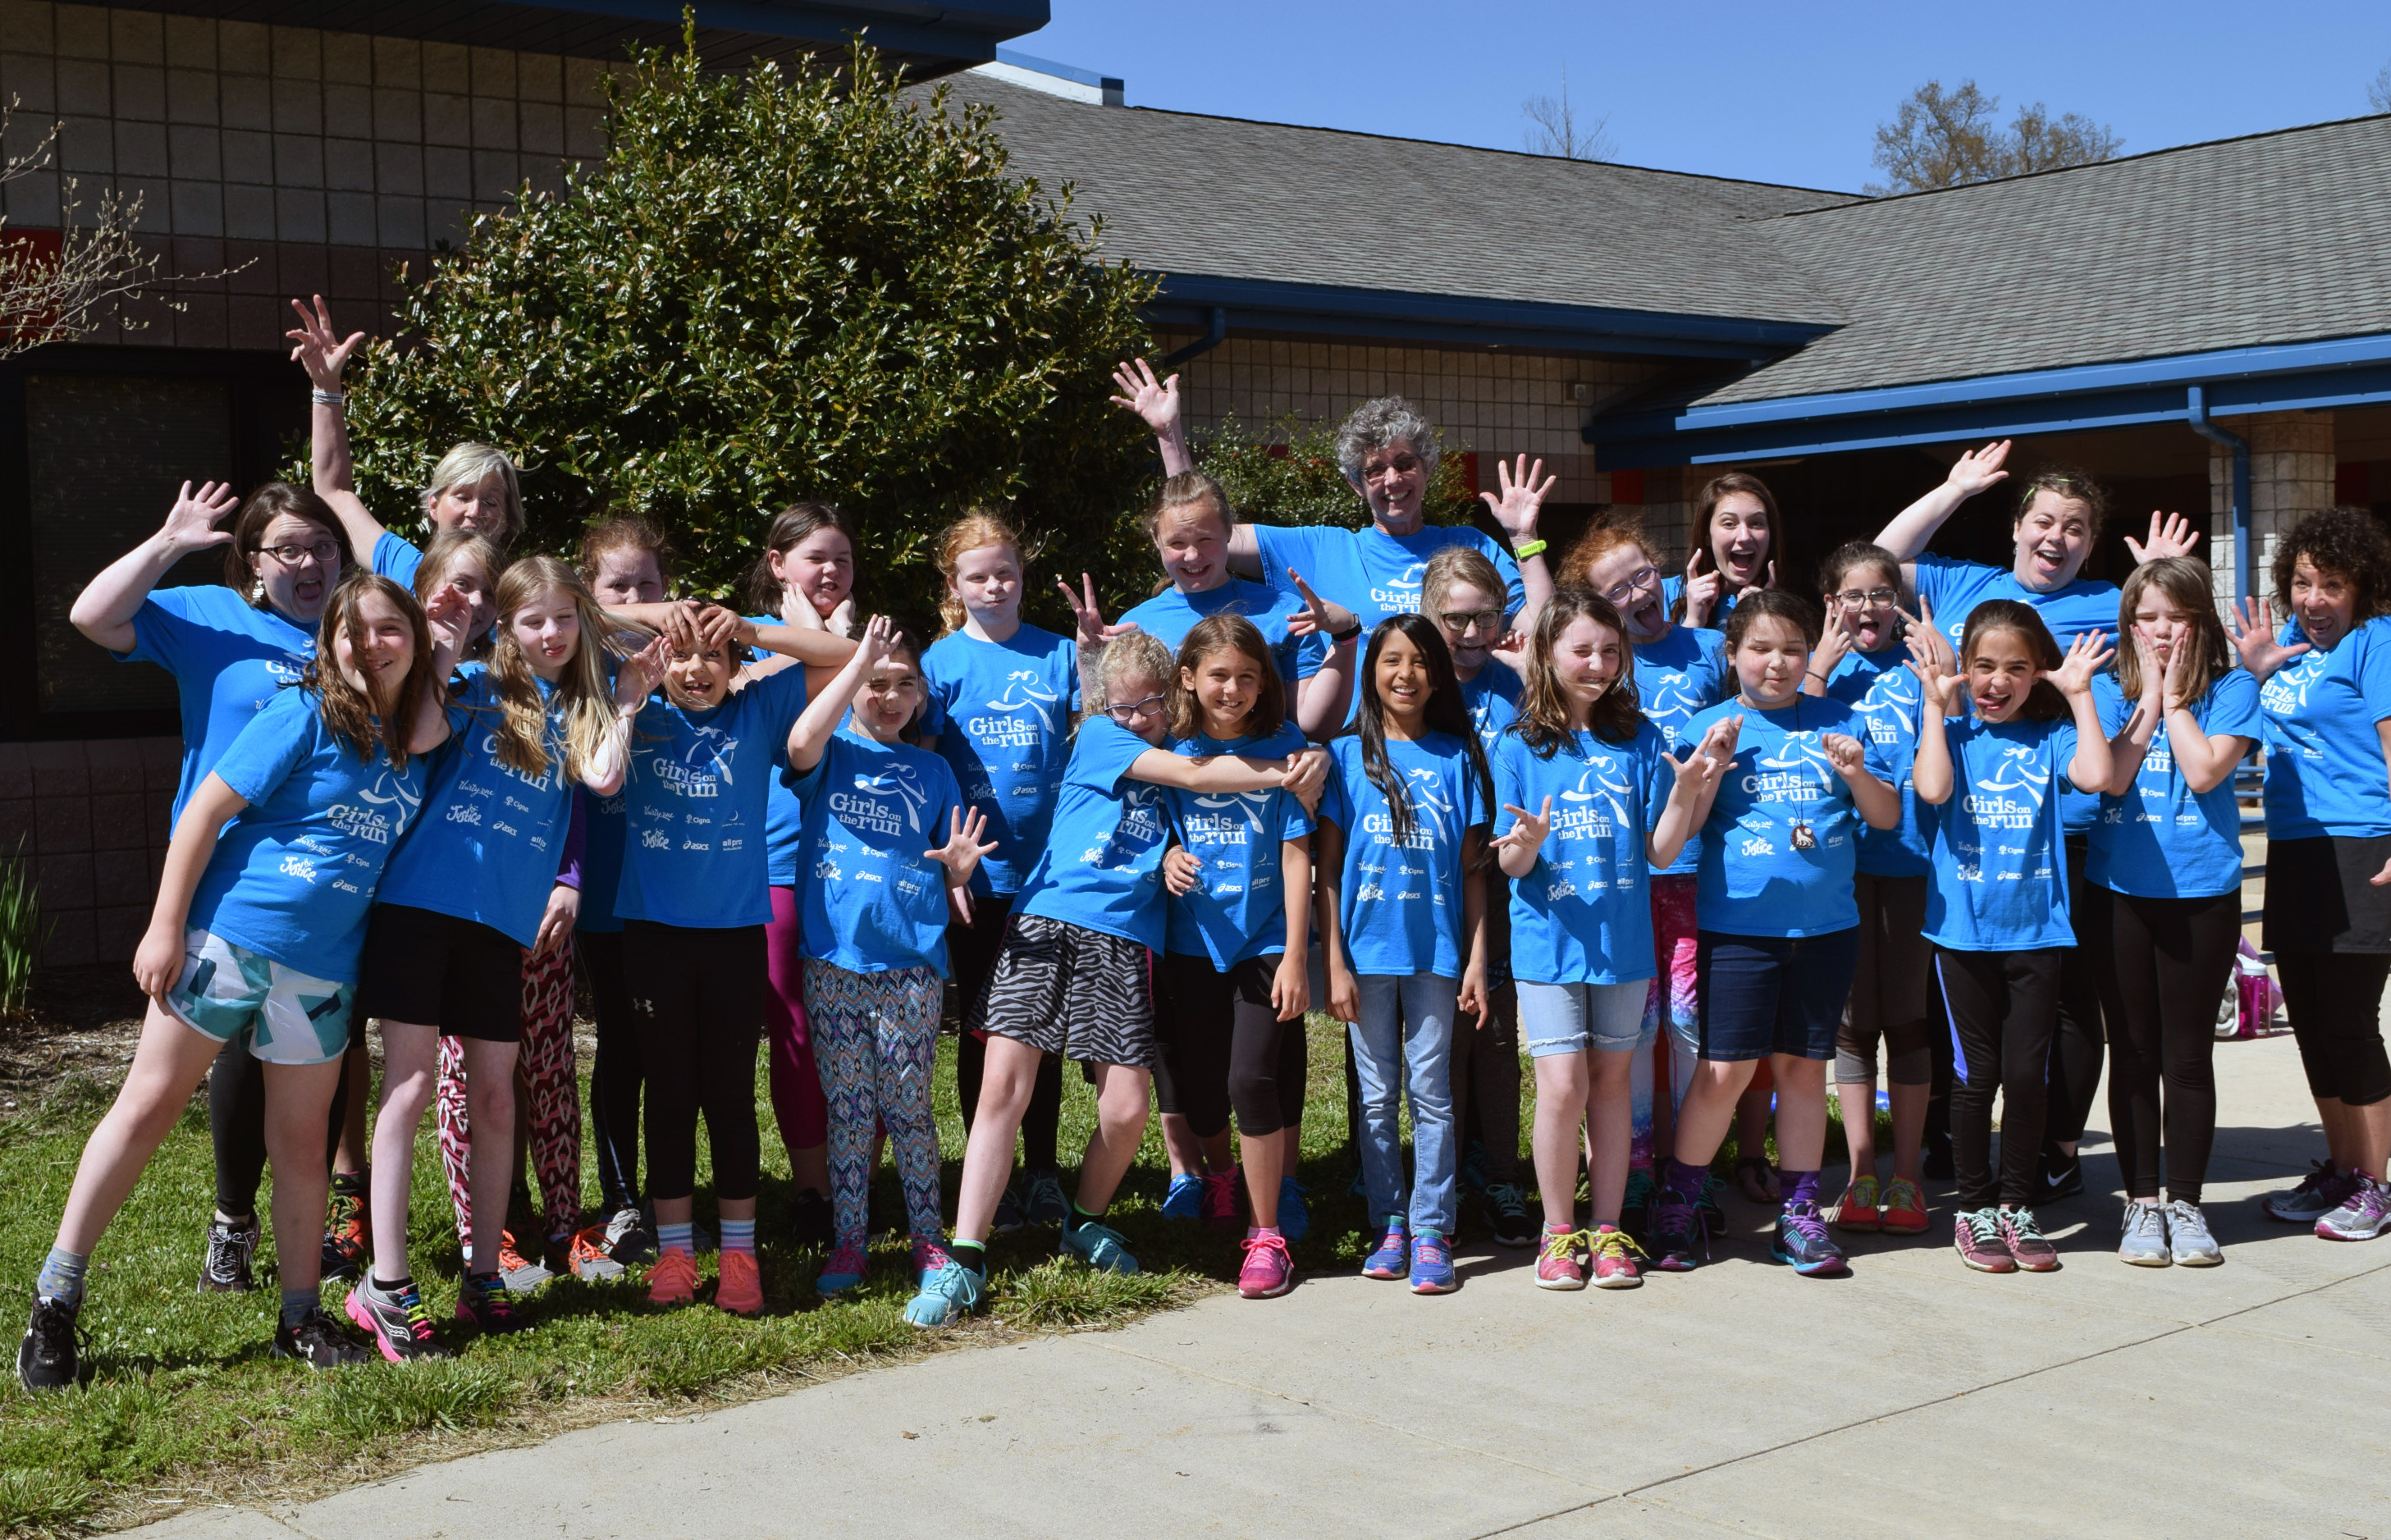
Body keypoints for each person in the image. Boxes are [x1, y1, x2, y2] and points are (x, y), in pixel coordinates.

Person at [20, 573, 462, 1391]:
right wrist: (164, 926)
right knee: (148, 1108)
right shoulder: (303, 711)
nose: (371, 644)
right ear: (328, 641)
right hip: (229, 940)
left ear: (415, 638)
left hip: (322, 972)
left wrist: (438, 651)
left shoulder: (414, 739)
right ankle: (56, 1298)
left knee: (300, 1143)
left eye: (390, 628)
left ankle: (300, 1317)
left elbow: (434, 703)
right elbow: (203, 814)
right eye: (353, 630)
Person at [908, 629, 1327, 1327]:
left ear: (1172, 699)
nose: (1134, 719)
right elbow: (1199, 779)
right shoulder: (1106, 737)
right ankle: (967, 1254)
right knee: (1004, 1086)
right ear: (1103, 704)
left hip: (1128, 941)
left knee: (1128, 1108)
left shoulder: (1180, 753)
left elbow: (1193, 812)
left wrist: (1170, 858)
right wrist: (1291, 768)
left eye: (1148, 706)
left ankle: (1084, 1220)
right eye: (1121, 705)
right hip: (1051, 920)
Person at [345, 560, 654, 1359]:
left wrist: (626, 696)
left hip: (501, 926)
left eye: (564, 618)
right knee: (410, 1087)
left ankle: (483, 1275)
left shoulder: (582, 706)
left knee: (494, 1097)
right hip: (418, 908)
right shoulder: (475, 683)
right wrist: (445, 641)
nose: (550, 633)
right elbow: (416, 735)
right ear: (508, 628)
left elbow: (603, 775)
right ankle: (386, 1283)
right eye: (532, 620)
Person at [1875, 444, 2200, 1198]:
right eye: (2045, 520)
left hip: (2081, 833)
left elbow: (2176, 626)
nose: (2057, 536)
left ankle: (2056, 1146)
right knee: (1965, 1007)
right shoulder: (1965, 583)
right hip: (1973, 839)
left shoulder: (2110, 599)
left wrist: (2157, 577)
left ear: (2091, 541)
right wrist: (1955, 490)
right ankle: (1957, 1143)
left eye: (2076, 526)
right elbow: (1883, 559)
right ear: (2017, 527)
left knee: (2073, 1006)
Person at [68, 478, 353, 1294]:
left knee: (320, 1062)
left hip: (330, 898)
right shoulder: (212, 617)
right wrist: (168, 543)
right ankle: (232, 1224)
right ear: (253, 561)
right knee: (228, 1054)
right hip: (222, 888)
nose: (309, 563)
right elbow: (92, 617)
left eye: (323, 547)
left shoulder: (357, 638)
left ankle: (316, 1232)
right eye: (288, 549)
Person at [1651, 592, 1902, 1278]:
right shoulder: (1709, 726)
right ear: (1732, 654)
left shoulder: (1842, 719)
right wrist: (1702, 775)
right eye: (1760, 648)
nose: (1778, 662)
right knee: (1725, 1071)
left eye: (1793, 648)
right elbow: (1678, 835)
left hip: (1827, 928)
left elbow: (1885, 816)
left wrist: (1856, 772)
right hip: (1738, 928)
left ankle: (1799, 1214)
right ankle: (1679, 1200)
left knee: (1802, 1069)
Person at [615, 602, 856, 1314]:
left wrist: (748, 631)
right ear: (660, 661)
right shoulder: (638, 706)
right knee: (668, 1093)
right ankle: (675, 1254)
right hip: (652, 934)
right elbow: (580, 612)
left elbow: (845, 654)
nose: (696, 669)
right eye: (681, 654)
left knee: (727, 1094)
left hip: (735, 935)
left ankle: (740, 1255)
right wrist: (660, 616)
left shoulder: (758, 710)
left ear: (734, 666)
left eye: (712, 655)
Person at [1490, 589, 1718, 1291]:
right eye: (1582, 650)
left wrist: (1687, 791)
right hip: (1549, 947)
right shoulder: (1517, 744)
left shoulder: (1640, 738)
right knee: (1564, 1086)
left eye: (1610, 652)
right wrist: (1528, 841)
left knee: (1613, 1085)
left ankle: (1609, 1226)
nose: (1597, 664)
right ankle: (1558, 1232)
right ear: (1546, 653)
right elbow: (1509, 863)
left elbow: (1660, 849)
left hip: (1624, 947)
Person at [789, 619, 991, 1301]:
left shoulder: (934, 771)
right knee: (849, 1109)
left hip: (911, 964)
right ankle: (850, 1238)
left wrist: (959, 869)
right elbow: (800, 742)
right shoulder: (832, 752)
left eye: (905, 684)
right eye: (876, 683)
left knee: (908, 1105)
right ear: (853, 687)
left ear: (922, 695)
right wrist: (855, 665)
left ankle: (927, 1237)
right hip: (834, 959)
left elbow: (951, 863)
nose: (890, 696)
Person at [1911, 601, 2114, 1273]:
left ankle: (2016, 1206)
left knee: (2028, 1076)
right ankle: (1972, 1210)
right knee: (1978, 1075)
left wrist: (2079, 694)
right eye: (1984, 665)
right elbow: (1932, 789)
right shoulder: (1953, 734)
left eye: (2017, 668)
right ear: (1964, 669)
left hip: (2037, 932)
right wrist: (1935, 706)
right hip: (1963, 935)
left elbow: (2096, 775)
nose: (1997, 681)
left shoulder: (2050, 736)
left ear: (2038, 674)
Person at [1111, 363, 1551, 642]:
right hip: (1352, 745)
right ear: (1356, 484)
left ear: (1427, 469)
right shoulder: (1321, 549)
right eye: (1374, 470)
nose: (1392, 479)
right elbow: (1204, 532)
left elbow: (1544, 629)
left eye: (1404, 464)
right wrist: (1169, 435)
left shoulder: (1471, 547)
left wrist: (1523, 537)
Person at [1314, 615, 1493, 1294]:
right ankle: (1389, 1221)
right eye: (1391, 659)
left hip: (1438, 954)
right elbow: (1328, 871)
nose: (1405, 673)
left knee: (1432, 1093)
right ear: (1372, 671)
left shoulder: (1457, 756)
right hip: (1364, 955)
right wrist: (1333, 961)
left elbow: (1474, 872)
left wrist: (1477, 960)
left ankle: (1432, 1229)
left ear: (1438, 676)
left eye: (1420, 661)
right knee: (1377, 1096)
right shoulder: (1344, 756)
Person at [1566, 518, 1734, 1235]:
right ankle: (1630, 1170)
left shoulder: (1712, 649)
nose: (1639, 592)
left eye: (1643, 574)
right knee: (1631, 1033)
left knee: (1690, 1025)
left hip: (1695, 875)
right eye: (1618, 588)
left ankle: (1691, 1174)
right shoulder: (1602, 668)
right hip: (1627, 883)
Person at [920, 514, 1086, 1236]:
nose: (994, 585)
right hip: (976, 880)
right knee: (983, 1027)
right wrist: (947, 865)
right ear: (954, 584)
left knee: (1041, 1025)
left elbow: (1094, 745)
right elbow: (925, 769)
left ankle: (1043, 1171)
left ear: (1022, 576)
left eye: (1005, 572)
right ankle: (992, 1175)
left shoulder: (1060, 654)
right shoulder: (940, 663)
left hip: (1049, 875)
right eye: (978, 575)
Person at [2090, 557, 2256, 1266]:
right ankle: (2141, 1201)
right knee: (2131, 1052)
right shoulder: (2108, 689)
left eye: (2177, 616)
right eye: (2148, 617)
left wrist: (2177, 699)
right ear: (2129, 624)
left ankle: (2186, 1203)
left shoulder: (2234, 688)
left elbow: (2205, 769)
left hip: (2202, 893)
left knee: (2187, 1054)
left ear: (2201, 622)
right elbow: (2113, 776)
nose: (2162, 630)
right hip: (2119, 894)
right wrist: (2149, 698)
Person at [2234, 509, 2391, 1241]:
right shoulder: (2290, 658)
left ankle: (2376, 1183)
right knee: (2313, 1027)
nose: (2314, 599)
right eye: (2302, 583)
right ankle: (2341, 1168)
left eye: (2332, 584)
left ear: (2361, 588)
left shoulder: (2375, 642)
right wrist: (2259, 671)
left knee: (2350, 1024)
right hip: (2297, 851)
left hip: (2362, 846)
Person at [1154, 615, 1319, 1298]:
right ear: (1189, 677)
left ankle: (1266, 1232)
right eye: (1219, 674)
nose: (1233, 688)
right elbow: (1151, 826)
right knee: (1200, 1083)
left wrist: (1297, 954)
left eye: (1247, 676)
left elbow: (1297, 852)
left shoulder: (1286, 748)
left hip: (1267, 941)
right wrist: (1166, 855)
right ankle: (1222, 1175)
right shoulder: (1169, 749)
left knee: (1251, 1077)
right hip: (1191, 940)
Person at [1801, 542, 1939, 1239]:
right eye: (1851, 595)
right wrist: (1818, 670)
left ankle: (1906, 1174)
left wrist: (1943, 672)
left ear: (1898, 602)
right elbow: (1794, 737)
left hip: (1916, 862)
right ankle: (1860, 1172)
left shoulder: (1922, 663)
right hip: (1843, 869)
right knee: (1853, 1022)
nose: (1867, 607)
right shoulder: (1820, 670)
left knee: (1908, 1017)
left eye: (1881, 594)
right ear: (1831, 603)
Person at [743, 501, 862, 1248]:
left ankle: (861, 1179)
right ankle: (815, 1189)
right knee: (795, 1031)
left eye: (842, 559)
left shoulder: (871, 639)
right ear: (777, 563)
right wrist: (820, 643)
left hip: (861, 870)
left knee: (863, 1027)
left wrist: (846, 642)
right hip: (778, 867)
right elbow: (759, 709)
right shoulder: (750, 642)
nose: (831, 570)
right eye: (816, 556)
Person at [1420, 548, 1534, 1247]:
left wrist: (1527, 667)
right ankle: (1445, 1175)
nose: (1470, 632)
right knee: (1439, 1034)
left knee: (1494, 1029)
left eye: (1484, 616)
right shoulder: (1411, 682)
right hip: (1427, 881)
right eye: (1454, 618)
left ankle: (1500, 1173)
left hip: (1502, 877)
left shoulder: (1517, 684)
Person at [574, 516, 675, 1268]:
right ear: (590, 591)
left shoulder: (693, 666)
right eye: (619, 586)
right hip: (605, 898)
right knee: (622, 1042)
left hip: (679, 897)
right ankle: (620, 1198)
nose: (638, 599)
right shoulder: (577, 666)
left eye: (650, 584)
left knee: (674, 1048)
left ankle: (676, 1192)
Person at [289, 295, 522, 588]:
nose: (475, 512)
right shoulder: (406, 568)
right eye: (462, 497)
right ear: (433, 506)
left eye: (490, 502)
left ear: (508, 520)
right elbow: (333, 492)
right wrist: (326, 387)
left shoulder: (524, 593)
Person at [1116, 472, 1354, 738]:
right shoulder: (1134, 627)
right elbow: (1115, 730)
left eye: (1205, 540)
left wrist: (1346, 636)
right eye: (1177, 543)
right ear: (1155, 538)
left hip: (1268, 764)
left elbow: (1314, 727)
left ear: (1229, 530)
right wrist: (1087, 655)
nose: (1192, 556)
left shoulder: (1284, 612)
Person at [1659, 471, 1783, 628]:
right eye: (1729, 523)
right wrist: (1693, 622)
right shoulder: (1662, 595)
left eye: (1757, 523)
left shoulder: (1788, 610)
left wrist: (1768, 618)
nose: (1744, 537)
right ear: (1707, 535)